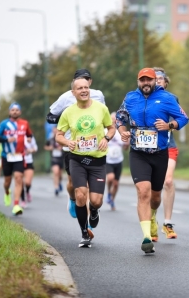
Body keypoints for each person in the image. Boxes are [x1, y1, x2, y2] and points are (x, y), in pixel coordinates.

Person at [116, 68, 189, 254]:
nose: (146, 83)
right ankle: (147, 237)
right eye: (142, 80)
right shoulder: (131, 97)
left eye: (149, 80)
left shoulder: (167, 98)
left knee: (155, 197)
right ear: (138, 81)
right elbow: (120, 117)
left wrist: (169, 125)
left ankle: (154, 214)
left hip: (159, 153)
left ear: (155, 81)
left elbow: (183, 117)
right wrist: (122, 130)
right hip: (138, 153)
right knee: (143, 192)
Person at [56, 77, 115, 248]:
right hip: (77, 159)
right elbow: (58, 135)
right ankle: (84, 233)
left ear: (89, 88)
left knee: (96, 200)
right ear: (73, 92)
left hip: (97, 160)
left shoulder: (101, 108)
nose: (83, 90)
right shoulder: (68, 112)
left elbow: (111, 127)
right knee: (81, 195)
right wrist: (67, 143)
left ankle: (94, 211)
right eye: (79, 88)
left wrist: (107, 137)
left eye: (85, 87)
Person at [46, 69, 105, 219]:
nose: (84, 84)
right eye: (79, 80)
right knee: (74, 183)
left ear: (90, 82)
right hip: (71, 145)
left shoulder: (98, 95)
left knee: (91, 188)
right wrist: (68, 118)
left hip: (94, 146)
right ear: (74, 85)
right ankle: (73, 200)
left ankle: (92, 209)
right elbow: (50, 116)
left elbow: (103, 116)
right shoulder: (66, 97)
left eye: (86, 80)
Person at [151, 67, 179, 242]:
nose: (158, 80)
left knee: (168, 181)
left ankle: (167, 223)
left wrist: (169, 125)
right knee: (154, 188)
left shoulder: (171, 99)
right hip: (148, 149)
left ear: (165, 82)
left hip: (168, 146)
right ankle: (152, 217)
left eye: (161, 78)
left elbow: (180, 119)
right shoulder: (142, 98)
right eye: (155, 78)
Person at [0, 103, 33, 215]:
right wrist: (7, 140)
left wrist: (29, 139)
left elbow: (29, 134)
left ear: (20, 112)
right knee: (7, 181)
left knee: (18, 178)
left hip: (19, 156)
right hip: (6, 156)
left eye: (17, 110)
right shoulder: (4, 124)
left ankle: (16, 205)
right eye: (13, 110)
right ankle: (7, 192)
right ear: (9, 112)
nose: (15, 111)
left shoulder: (24, 123)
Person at [105, 112, 129, 211]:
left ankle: (112, 199)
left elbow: (125, 148)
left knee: (116, 183)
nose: (114, 120)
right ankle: (108, 193)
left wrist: (127, 144)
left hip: (118, 160)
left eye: (115, 119)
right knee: (110, 178)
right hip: (108, 160)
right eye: (112, 118)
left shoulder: (121, 131)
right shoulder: (105, 130)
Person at [44, 127, 64, 196]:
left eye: (56, 130)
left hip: (61, 159)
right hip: (54, 159)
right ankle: (56, 188)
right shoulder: (50, 139)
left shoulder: (62, 138)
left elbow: (66, 145)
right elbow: (45, 147)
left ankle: (59, 182)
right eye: (54, 131)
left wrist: (61, 148)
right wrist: (50, 148)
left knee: (60, 175)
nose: (55, 132)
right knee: (56, 172)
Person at [20, 135, 38, 208]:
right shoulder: (15, 135)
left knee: (27, 182)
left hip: (29, 162)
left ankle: (27, 192)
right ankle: (23, 200)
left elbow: (35, 148)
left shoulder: (30, 136)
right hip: (18, 161)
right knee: (20, 182)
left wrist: (31, 150)